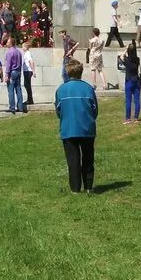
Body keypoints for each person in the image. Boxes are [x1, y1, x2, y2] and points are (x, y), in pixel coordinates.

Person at [54, 58, 98, 193]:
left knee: (73, 161)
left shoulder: (61, 90)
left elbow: (58, 110)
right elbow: (95, 109)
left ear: (68, 72)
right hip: (87, 128)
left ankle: (75, 188)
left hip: (68, 128)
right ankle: (89, 186)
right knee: (88, 158)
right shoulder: (88, 88)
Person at [121, 42, 141, 124]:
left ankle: (128, 118)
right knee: (137, 100)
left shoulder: (127, 59)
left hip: (129, 80)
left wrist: (125, 49)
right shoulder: (137, 59)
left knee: (128, 100)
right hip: (136, 80)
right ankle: (136, 118)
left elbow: (121, 56)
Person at [4, 38, 25, 114]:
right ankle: (20, 107)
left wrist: (6, 74)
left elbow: (8, 64)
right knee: (18, 89)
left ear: (11, 43)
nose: (6, 43)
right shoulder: (18, 52)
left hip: (12, 72)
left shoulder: (9, 52)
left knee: (11, 90)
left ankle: (12, 107)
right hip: (18, 72)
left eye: (8, 42)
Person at [22, 41, 37, 107]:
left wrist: (33, 71)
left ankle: (30, 99)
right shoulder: (26, 53)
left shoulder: (28, 53)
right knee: (27, 85)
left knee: (27, 85)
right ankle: (29, 99)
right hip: (26, 70)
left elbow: (31, 62)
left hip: (28, 71)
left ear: (25, 47)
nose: (22, 48)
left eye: (23, 47)